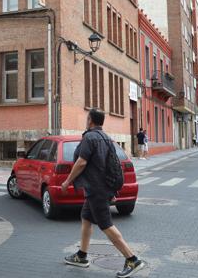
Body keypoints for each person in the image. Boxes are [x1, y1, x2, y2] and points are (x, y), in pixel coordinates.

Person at [62, 109, 147, 277]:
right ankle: (82, 255)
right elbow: (112, 166)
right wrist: (112, 189)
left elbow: (81, 162)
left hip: (96, 189)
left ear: (90, 120)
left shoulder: (90, 137)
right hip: (101, 188)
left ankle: (132, 259)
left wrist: (67, 181)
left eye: (87, 118)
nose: (86, 120)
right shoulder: (107, 138)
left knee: (106, 225)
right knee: (86, 218)